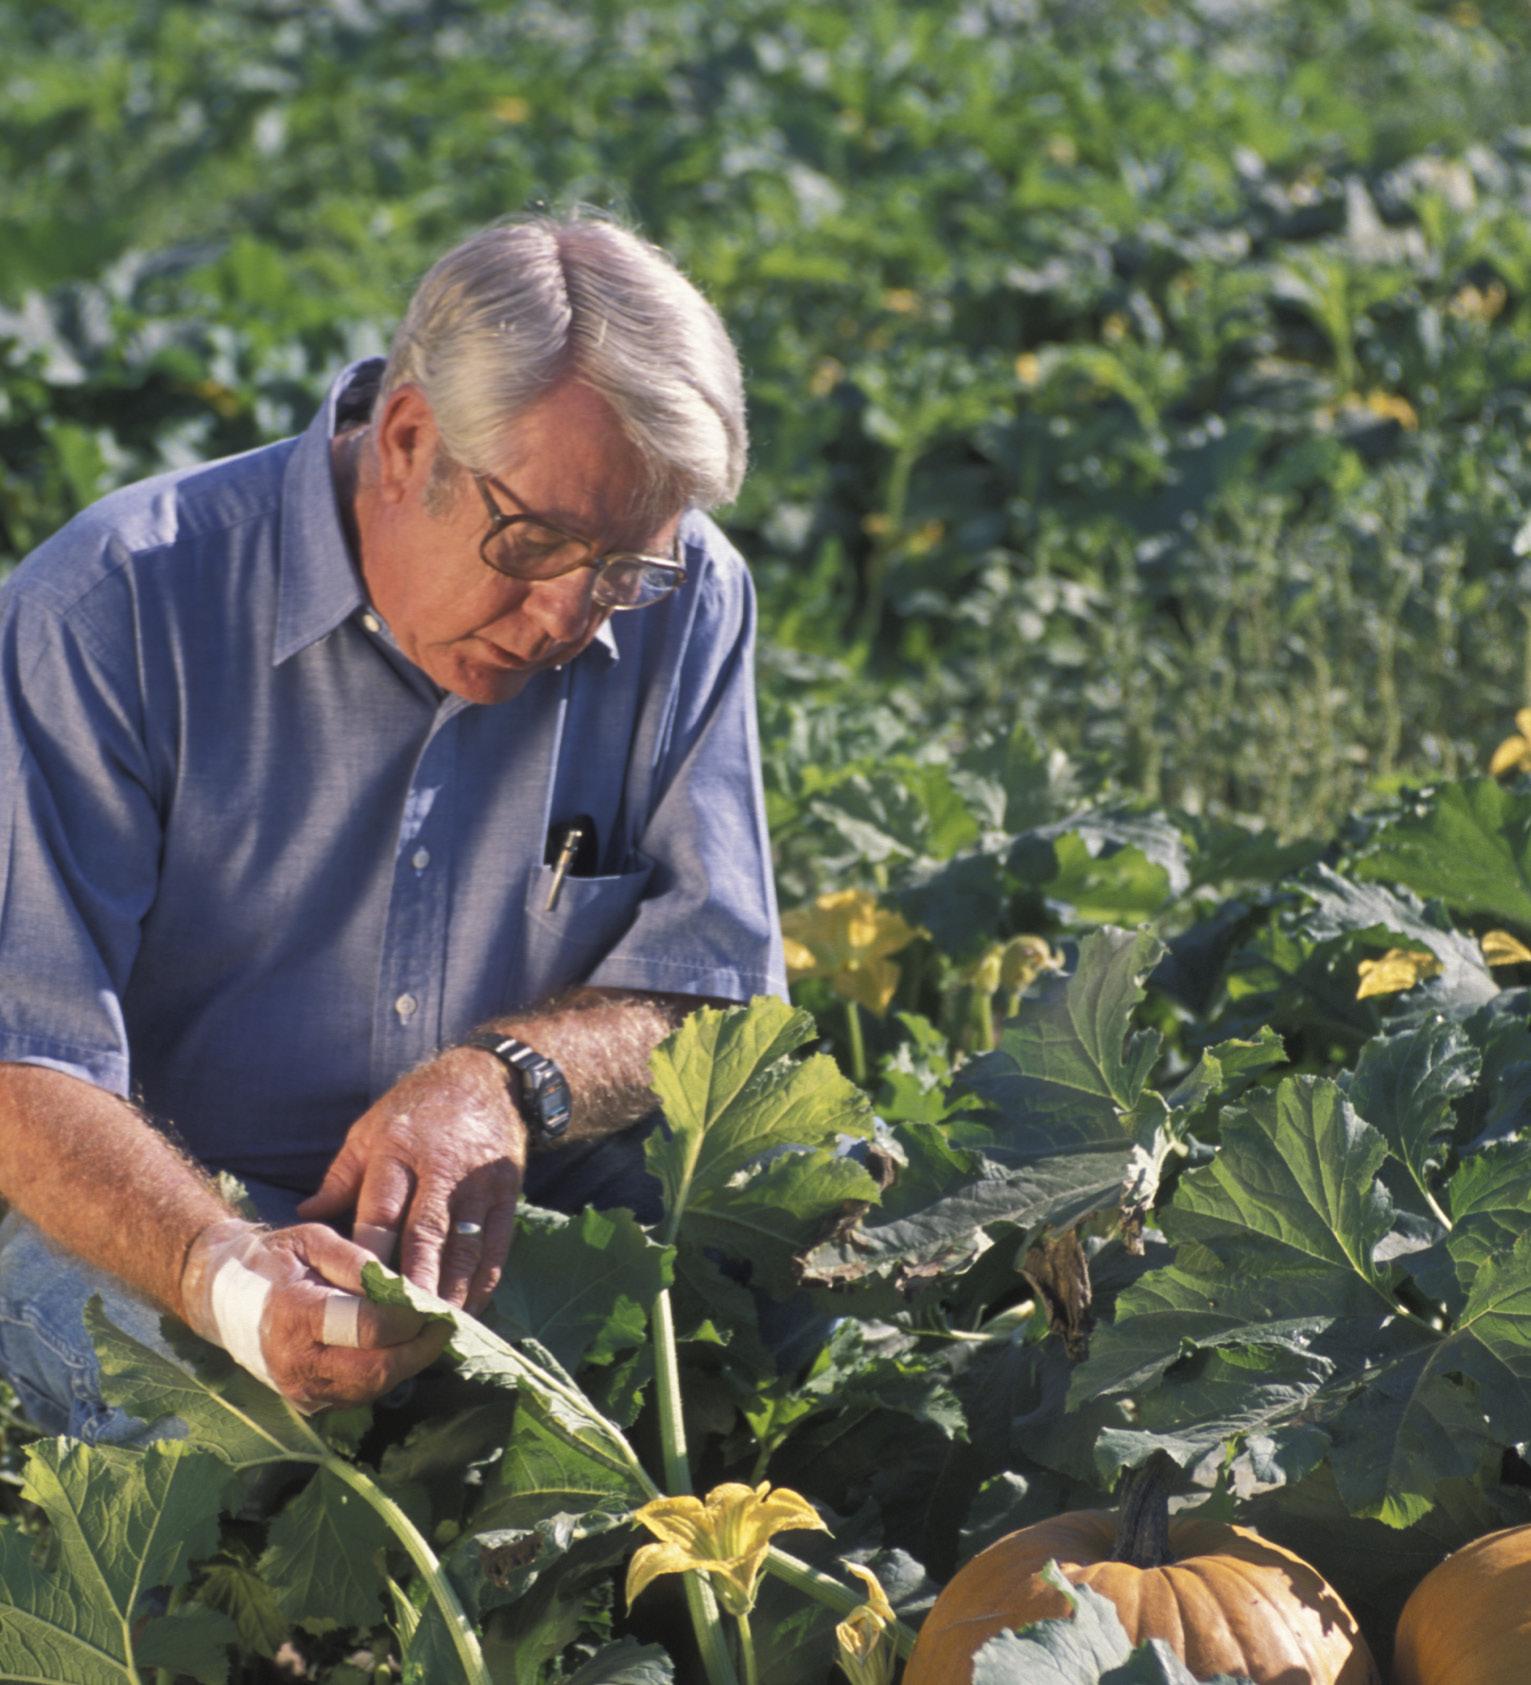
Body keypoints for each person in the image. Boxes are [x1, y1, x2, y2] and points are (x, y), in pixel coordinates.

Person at [0, 212, 786, 1441]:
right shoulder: (108, 612)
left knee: (802, 1301)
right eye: (535, 544)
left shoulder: (692, 603)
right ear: (408, 439)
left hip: (514, 1206)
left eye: (626, 568)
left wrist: (507, 1079)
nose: (571, 617)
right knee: (216, 1426)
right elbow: (21, 1063)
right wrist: (229, 1275)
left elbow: (709, 993)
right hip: (144, 1216)